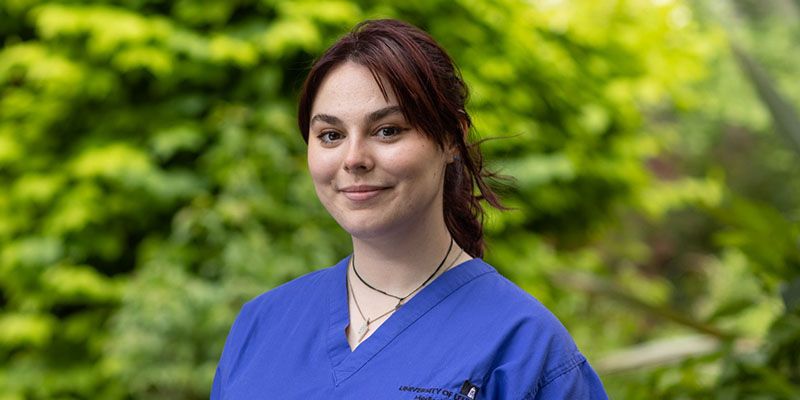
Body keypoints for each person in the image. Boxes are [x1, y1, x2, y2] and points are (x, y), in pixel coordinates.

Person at [211, 19, 608, 399]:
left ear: (452, 137)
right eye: (330, 135)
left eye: (387, 130)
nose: (354, 159)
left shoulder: (525, 348)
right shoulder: (261, 325)